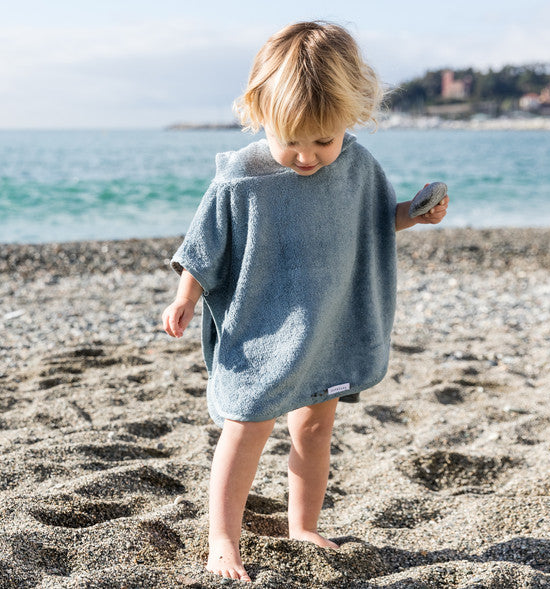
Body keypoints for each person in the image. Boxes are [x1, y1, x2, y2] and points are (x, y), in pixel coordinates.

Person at [162, 20, 449, 582]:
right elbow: (203, 245)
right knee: (246, 423)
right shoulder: (242, 177)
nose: (308, 155)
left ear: (351, 118)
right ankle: (223, 540)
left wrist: (413, 213)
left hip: (329, 320)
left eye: (324, 140)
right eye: (290, 140)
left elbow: (373, 222)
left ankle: (303, 525)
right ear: (258, 113)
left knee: (315, 427)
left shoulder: (357, 165)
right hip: (263, 324)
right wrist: (185, 296)